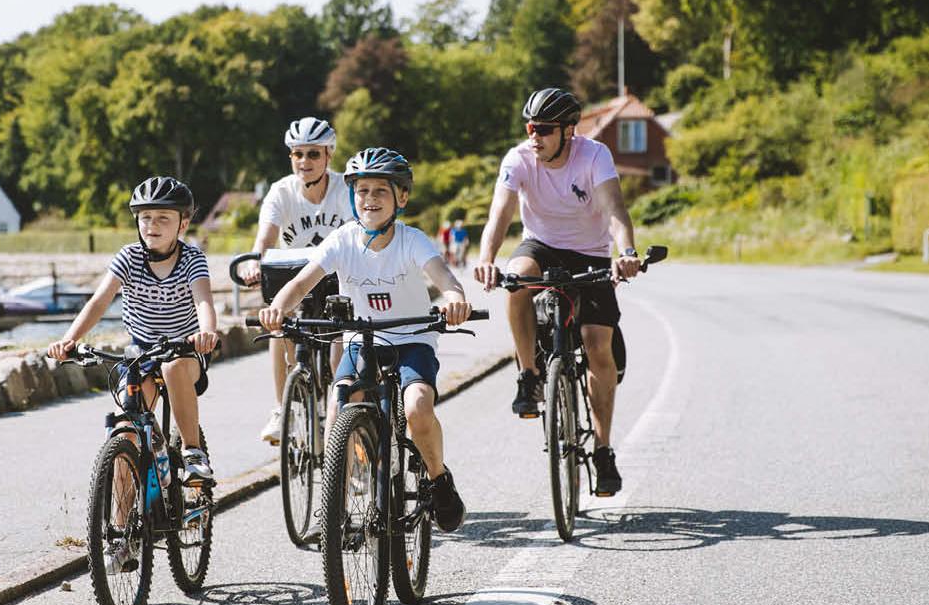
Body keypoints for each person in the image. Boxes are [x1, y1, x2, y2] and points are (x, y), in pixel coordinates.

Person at [259, 147, 472, 532]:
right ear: (353, 197)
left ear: (400, 198)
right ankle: (335, 503)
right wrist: (278, 307)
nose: (370, 200)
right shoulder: (343, 240)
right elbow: (302, 281)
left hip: (411, 339)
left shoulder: (412, 240)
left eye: (380, 192)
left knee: (418, 407)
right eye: (362, 192)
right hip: (363, 340)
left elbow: (442, 275)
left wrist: (455, 298)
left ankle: (439, 478)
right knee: (341, 404)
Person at [472, 87, 642, 497]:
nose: (535, 136)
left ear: (568, 131)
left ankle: (602, 451)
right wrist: (485, 257)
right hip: (541, 245)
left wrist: (627, 252)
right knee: (517, 280)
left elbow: (615, 210)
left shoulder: (594, 155)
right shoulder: (519, 159)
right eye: (531, 128)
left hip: (590, 252)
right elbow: (500, 212)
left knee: (596, 344)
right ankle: (529, 376)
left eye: (544, 129)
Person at [48, 176, 221, 485]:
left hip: (185, 350)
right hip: (141, 352)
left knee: (173, 367)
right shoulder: (128, 258)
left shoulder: (192, 259)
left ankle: (194, 452)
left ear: (183, 224)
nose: (152, 225)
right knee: (127, 431)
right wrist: (69, 339)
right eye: (145, 218)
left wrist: (207, 332)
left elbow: (204, 301)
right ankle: (121, 527)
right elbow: (98, 302)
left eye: (163, 218)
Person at [237, 117, 355, 445]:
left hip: (337, 278)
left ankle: (343, 414)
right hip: (296, 277)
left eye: (314, 154)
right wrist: (255, 262)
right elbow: (266, 237)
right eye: (298, 154)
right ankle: (281, 408)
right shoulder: (281, 191)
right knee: (279, 323)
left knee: (339, 344)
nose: (305, 162)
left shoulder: (345, 190)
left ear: (329, 155)